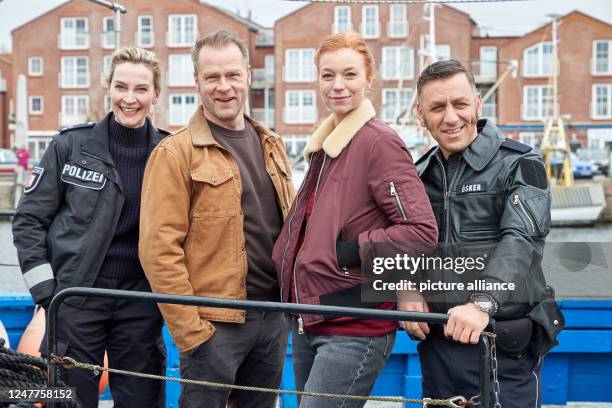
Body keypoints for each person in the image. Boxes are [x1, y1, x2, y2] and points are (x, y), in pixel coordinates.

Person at [272, 32, 438, 408]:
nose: (338, 85)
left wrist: (348, 253)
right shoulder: (326, 147)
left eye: (349, 74)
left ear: (368, 78)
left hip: (354, 324)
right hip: (309, 319)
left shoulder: (378, 142)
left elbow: (421, 231)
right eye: (328, 76)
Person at [139, 30, 295, 408]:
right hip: (215, 326)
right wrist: (192, 333)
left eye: (232, 75)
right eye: (212, 77)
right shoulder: (175, 154)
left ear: (248, 75)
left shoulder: (271, 144)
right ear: (196, 81)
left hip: (273, 320)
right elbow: (158, 250)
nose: (223, 87)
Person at [12, 47, 168, 408]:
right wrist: (49, 294)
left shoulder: (170, 152)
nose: (130, 98)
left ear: (156, 95)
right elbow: (28, 220)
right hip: (75, 298)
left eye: (142, 89)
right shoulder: (70, 146)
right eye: (121, 87)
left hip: (140, 301)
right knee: (68, 400)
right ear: (108, 88)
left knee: (143, 398)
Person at [404, 59, 564, 407]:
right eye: (437, 107)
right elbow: (402, 240)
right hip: (438, 347)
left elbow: (523, 242)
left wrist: (482, 303)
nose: (450, 117)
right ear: (420, 114)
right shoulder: (417, 176)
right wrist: (406, 287)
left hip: (503, 348)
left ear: (478, 102)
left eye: (460, 104)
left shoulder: (522, 163)